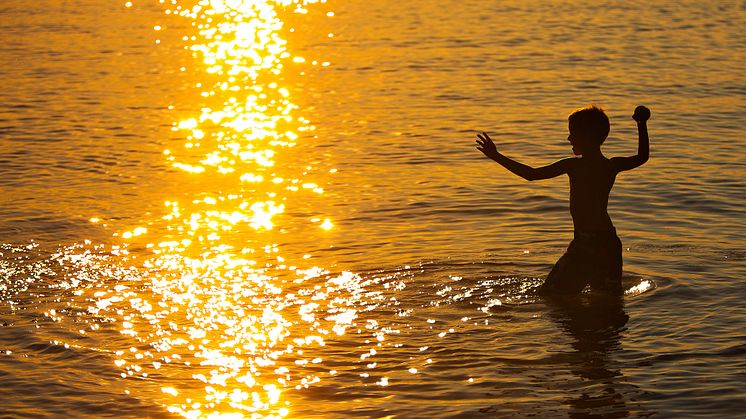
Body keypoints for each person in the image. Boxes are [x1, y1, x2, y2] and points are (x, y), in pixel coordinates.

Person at [475, 105, 650, 294]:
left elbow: (532, 175)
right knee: (608, 301)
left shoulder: (574, 166)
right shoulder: (610, 165)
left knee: (550, 296)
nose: (569, 138)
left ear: (588, 136)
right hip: (609, 243)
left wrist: (495, 155)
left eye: (573, 134)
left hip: (586, 245)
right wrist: (641, 124)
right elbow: (642, 157)